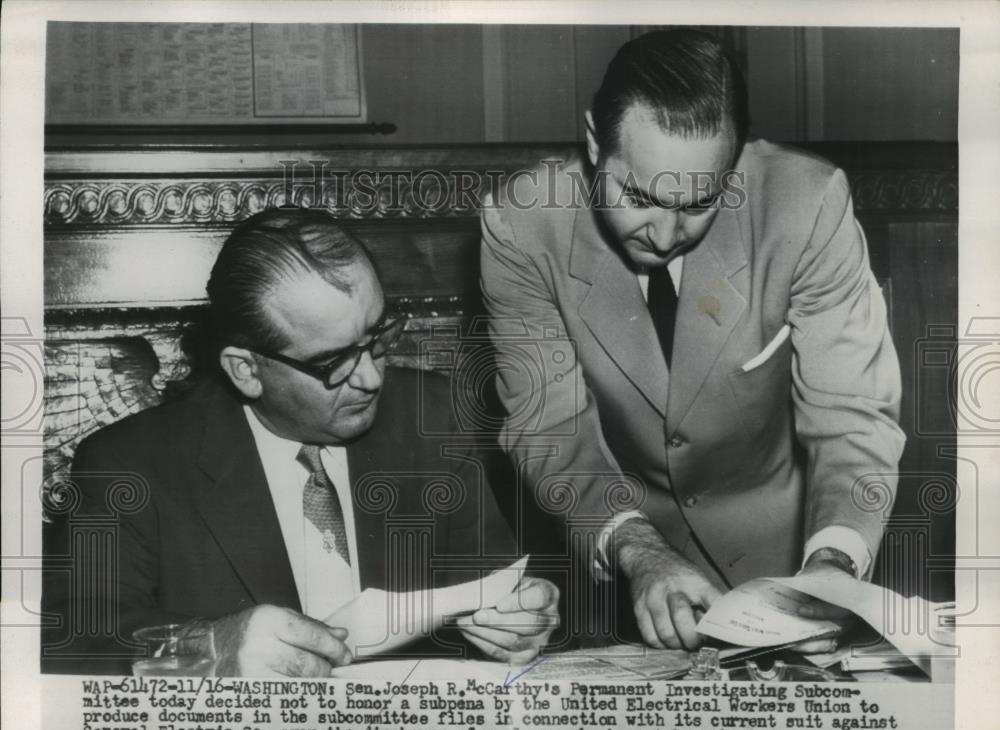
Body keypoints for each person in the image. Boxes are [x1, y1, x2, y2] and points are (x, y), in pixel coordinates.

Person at [479, 29, 904, 652]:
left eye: (699, 202)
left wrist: (833, 567)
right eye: (640, 197)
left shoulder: (807, 204)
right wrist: (635, 546)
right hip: (619, 564)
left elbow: (853, 414)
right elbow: (549, 424)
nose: (665, 233)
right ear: (596, 142)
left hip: (790, 557)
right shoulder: (521, 226)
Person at [43, 208, 558, 676]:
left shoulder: (434, 419)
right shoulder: (130, 463)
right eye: (332, 362)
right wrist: (206, 647)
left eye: (378, 337)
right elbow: (77, 638)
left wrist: (521, 620)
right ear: (246, 370)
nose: (372, 379)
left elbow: (492, 587)